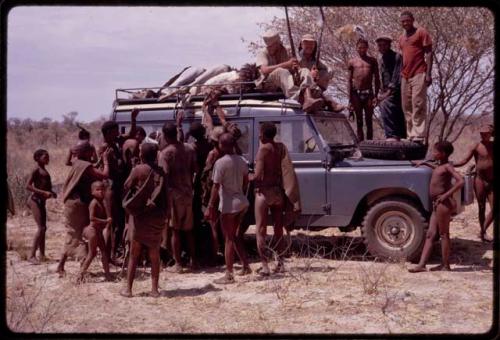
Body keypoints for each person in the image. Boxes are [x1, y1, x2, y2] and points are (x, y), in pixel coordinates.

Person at [56, 141, 111, 277]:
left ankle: (61, 266)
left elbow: (90, 169)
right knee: (78, 235)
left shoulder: (77, 162)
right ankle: (81, 269)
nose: (93, 153)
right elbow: (104, 175)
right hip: (77, 205)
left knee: (73, 234)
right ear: (86, 152)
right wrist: (105, 160)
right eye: (91, 151)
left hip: (72, 203)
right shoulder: (85, 165)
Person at [409, 141, 464, 273]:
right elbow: (436, 169)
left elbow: (460, 181)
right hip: (437, 204)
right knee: (430, 234)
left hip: (444, 204)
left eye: (435, 151)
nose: (433, 153)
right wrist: (423, 163)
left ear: (443, 154)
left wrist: (446, 195)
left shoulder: (447, 167)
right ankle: (421, 265)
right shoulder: (439, 166)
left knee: (444, 234)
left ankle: (446, 265)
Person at [121, 143, 168, 297]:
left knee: (134, 254)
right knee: (154, 253)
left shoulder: (138, 170)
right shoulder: (161, 172)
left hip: (140, 216)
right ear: (156, 156)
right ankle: (154, 289)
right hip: (156, 216)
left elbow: (126, 186)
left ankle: (128, 289)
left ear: (141, 155)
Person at [205, 133, 252, 283]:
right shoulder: (242, 160)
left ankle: (229, 274)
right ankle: (245, 265)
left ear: (222, 145)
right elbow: (246, 181)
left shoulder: (220, 163)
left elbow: (215, 186)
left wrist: (210, 206)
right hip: (242, 202)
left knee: (229, 239)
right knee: (237, 235)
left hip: (228, 206)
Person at [98, 108, 140, 265]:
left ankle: (115, 253)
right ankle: (108, 256)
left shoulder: (116, 142)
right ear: (108, 132)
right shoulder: (103, 148)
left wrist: (133, 119)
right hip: (110, 188)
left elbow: (131, 135)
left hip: (119, 187)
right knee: (112, 223)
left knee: (120, 223)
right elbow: (104, 171)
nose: (118, 133)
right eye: (115, 131)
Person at [250, 122, 289, 276]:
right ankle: (280, 262)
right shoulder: (279, 148)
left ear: (264, 134)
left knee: (260, 230)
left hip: (264, 193)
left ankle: (265, 265)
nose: (258, 135)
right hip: (277, 192)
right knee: (278, 229)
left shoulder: (263, 150)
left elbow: (258, 175)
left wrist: (248, 176)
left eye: (260, 133)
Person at [159, 123, 198, 273]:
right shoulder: (189, 148)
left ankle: (178, 264)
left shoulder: (165, 154)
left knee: (175, 230)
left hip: (174, 195)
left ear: (165, 135)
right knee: (189, 230)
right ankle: (194, 261)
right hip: (188, 193)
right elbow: (196, 169)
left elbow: (164, 176)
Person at [255, 30, 324, 113]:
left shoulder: (284, 50)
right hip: (267, 83)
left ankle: (308, 96)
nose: (272, 48)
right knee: (281, 71)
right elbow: (264, 70)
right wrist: (287, 64)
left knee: (304, 70)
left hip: (284, 81)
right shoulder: (263, 53)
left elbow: (292, 67)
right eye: (270, 46)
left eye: (274, 45)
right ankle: (299, 96)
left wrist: (298, 69)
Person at [453, 125, 494, 242]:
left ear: (491, 134)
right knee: (481, 207)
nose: (483, 135)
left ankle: (481, 231)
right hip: (480, 180)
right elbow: (464, 161)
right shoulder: (476, 146)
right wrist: (450, 164)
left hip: (492, 181)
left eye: (486, 133)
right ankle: (483, 233)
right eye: (481, 133)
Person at [399, 10, 433, 143]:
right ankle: (410, 134)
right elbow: (403, 56)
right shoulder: (401, 38)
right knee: (406, 106)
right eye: (403, 21)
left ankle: (418, 134)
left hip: (419, 72)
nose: (405, 23)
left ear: (412, 20)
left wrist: (429, 74)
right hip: (405, 75)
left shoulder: (421, 32)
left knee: (418, 103)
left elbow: (429, 53)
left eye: (407, 20)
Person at [26, 149, 57, 264]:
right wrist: (43, 193)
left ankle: (42, 255)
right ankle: (31, 255)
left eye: (48, 157)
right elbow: (28, 186)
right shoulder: (36, 170)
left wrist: (52, 192)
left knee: (44, 228)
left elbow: (45, 187)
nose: (47, 159)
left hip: (41, 201)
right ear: (38, 158)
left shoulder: (44, 170)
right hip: (34, 200)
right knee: (41, 228)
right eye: (45, 157)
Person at [78, 181, 112, 282]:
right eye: (97, 190)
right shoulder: (94, 203)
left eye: (102, 189)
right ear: (92, 192)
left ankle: (107, 274)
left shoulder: (102, 202)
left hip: (98, 231)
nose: (100, 192)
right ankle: (80, 275)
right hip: (92, 231)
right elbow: (92, 218)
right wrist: (105, 221)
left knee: (104, 252)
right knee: (92, 253)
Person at [347, 38, 380, 141]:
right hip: (356, 94)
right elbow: (349, 81)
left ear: (367, 48)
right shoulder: (352, 62)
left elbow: (377, 79)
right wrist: (350, 99)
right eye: (360, 47)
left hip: (368, 94)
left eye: (364, 47)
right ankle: (360, 144)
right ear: (356, 48)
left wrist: (376, 95)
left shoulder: (372, 61)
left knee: (369, 120)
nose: (362, 49)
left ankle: (370, 144)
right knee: (359, 121)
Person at [376, 35, 407, 141]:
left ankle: (392, 135)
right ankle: (395, 134)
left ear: (389, 45)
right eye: (379, 46)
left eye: (384, 45)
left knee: (385, 103)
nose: (382, 48)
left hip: (396, 90)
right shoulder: (382, 59)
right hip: (386, 90)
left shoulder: (397, 57)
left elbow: (396, 77)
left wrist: (387, 93)